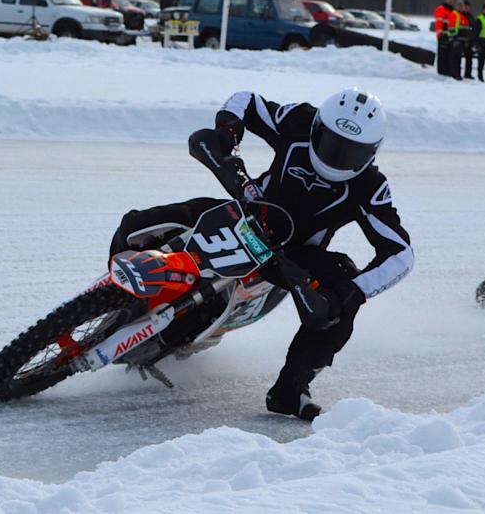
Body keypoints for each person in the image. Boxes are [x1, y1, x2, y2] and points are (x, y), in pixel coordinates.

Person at [108, 87, 414, 420]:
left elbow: (400, 254)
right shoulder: (299, 121)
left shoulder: (371, 186)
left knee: (339, 305)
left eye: (350, 152)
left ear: (371, 153)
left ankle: (290, 390)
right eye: (330, 143)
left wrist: (352, 291)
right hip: (246, 213)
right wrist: (228, 135)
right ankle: (114, 296)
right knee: (136, 224)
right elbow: (246, 101)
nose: (336, 157)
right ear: (316, 128)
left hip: (293, 259)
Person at [433, 0, 455, 76]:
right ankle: (442, 71)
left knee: (449, 54)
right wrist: (439, 34)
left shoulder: (452, 10)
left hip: (450, 35)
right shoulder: (441, 8)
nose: (451, 1)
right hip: (443, 34)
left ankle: (448, 70)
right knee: (442, 54)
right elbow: (438, 21)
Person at [445, 1, 466, 80]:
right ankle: (453, 74)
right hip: (454, 40)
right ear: (456, 6)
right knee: (454, 58)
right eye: (459, 5)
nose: (461, 7)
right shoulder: (454, 14)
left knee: (458, 59)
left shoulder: (461, 15)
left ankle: (458, 74)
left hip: (460, 40)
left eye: (462, 5)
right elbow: (451, 28)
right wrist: (454, 39)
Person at [458, 0, 476, 80]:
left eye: (468, 7)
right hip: (461, 39)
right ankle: (457, 73)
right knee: (458, 58)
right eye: (465, 7)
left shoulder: (471, 16)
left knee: (469, 58)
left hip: (470, 40)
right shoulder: (460, 15)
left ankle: (468, 74)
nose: (466, 8)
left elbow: (473, 28)